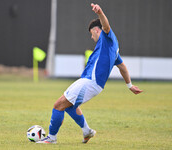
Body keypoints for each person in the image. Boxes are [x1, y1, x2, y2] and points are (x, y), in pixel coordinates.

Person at [37, 3, 143, 144]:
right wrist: (129, 85)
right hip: (93, 84)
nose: (91, 37)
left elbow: (106, 26)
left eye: (91, 34)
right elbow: (122, 66)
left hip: (90, 82)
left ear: (96, 30)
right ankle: (87, 131)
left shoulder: (107, 37)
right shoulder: (113, 47)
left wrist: (100, 13)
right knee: (69, 107)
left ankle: (51, 138)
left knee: (58, 105)